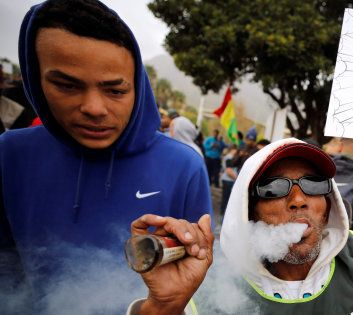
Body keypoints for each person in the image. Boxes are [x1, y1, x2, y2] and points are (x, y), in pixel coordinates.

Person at [0, 1, 211, 312]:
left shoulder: (184, 167)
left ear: (137, 87)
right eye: (67, 85)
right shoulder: (9, 154)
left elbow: (192, 290)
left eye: (115, 90)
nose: (94, 108)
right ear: (35, 78)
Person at [126, 138, 353, 314]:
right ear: (249, 209)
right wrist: (163, 308)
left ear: (330, 199)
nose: (298, 199)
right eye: (274, 188)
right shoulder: (208, 284)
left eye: (313, 184)